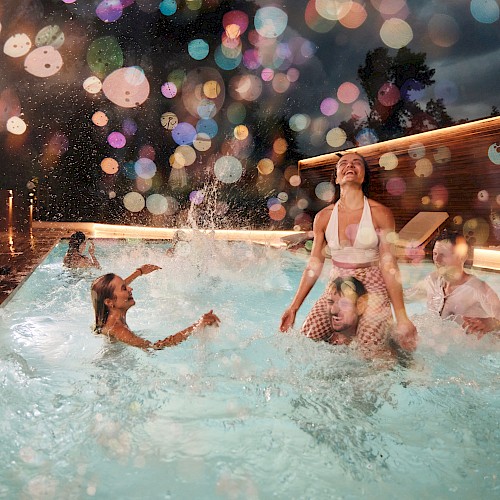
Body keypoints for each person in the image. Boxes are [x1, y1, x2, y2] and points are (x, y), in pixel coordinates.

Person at [280, 151, 417, 355]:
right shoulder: (324, 217)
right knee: (309, 337)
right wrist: (294, 307)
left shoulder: (380, 213)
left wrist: (402, 317)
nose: (349, 165)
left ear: (363, 176)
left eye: (356, 163)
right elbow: (314, 265)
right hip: (338, 283)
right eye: (343, 163)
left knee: (370, 344)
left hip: (373, 285)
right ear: (336, 177)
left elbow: (389, 265)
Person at [91, 264, 220, 349]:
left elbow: (110, 291)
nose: (130, 288)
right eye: (124, 288)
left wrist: (139, 272)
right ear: (109, 302)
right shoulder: (118, 329)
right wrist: (197, 325)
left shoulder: (107, 312)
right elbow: (155, 347)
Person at [406, 230, 500, 337]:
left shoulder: (477, 288)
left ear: (462, 257)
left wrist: (492, 323)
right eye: (435, 254)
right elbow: (405, 297)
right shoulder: (432, 281)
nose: (437, 259)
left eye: (443, 255)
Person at [320, 276, 368, 345]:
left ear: (360, 306)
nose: (333, 311)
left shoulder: (373, 347)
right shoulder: (320, 341)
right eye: (330, 302)